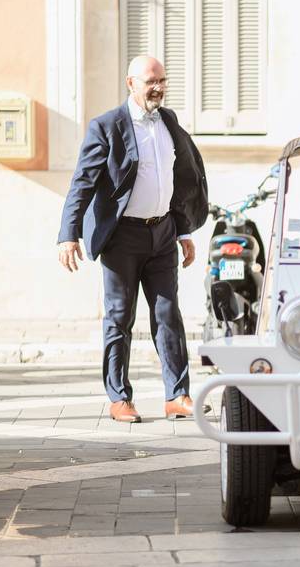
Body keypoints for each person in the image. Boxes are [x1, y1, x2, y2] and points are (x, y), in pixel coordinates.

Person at [57, 56, 209, 424]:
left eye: (162, 81)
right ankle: (119, 398)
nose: (157, 87)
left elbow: (178, 178)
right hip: (121, 237)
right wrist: (68, 234)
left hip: (162, 233)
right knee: (119, 317)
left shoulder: (169, 122)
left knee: (168, 315)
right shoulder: (106, 126)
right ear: (131, 83)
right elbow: (83, 182)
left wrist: (184, 230)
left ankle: (177, 396)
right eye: (150, 81)